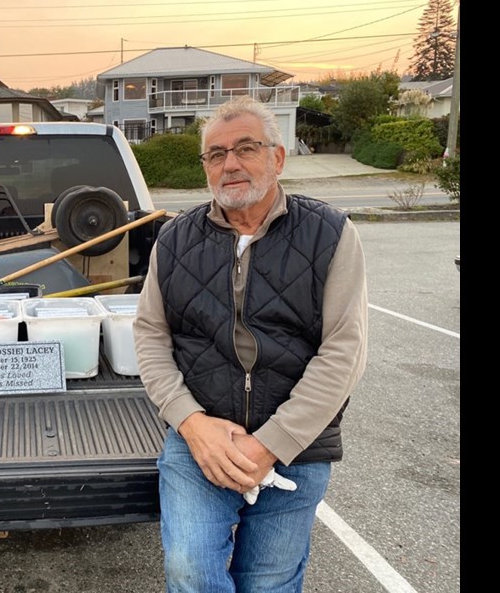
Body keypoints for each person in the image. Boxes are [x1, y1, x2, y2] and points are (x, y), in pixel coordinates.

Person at [134, 97, 368, 592]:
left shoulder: (330, 233)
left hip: (295, 447)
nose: (230, 164)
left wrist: (271, 445)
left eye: (246, 148)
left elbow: (343, 351)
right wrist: (191, 425)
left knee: (270, 582)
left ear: (278, 158)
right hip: (199, 442)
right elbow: (151, 335)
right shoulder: (174, 240)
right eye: (216, 154)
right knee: (191, 572)